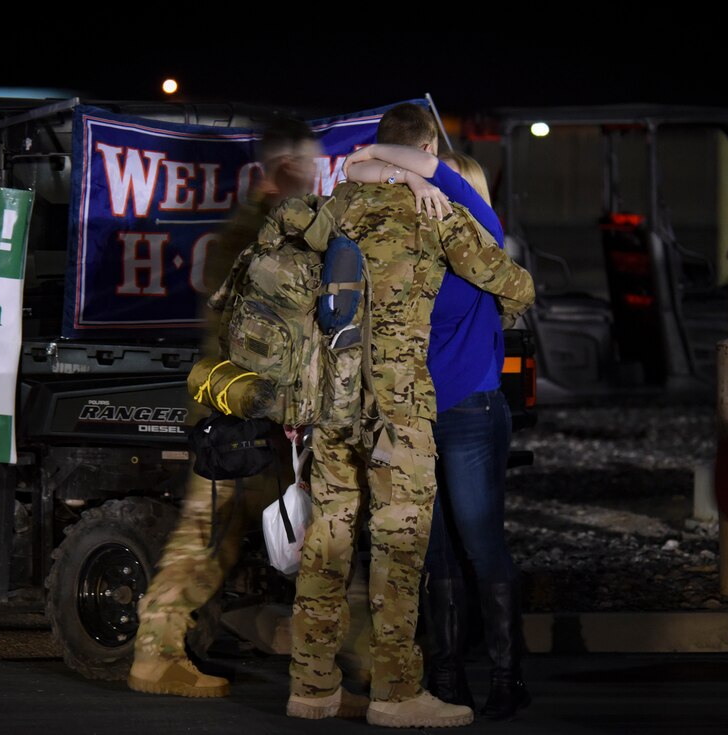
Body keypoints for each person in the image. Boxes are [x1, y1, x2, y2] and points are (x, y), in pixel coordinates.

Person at [283, 102, 535, 727]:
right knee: (401, 548)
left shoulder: (330, 211)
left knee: (330, 540)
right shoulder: (435, 213)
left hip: (331, 403)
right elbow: (515, 284)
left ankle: (312, 688)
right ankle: (397, 694)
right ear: (424, 145)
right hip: (401, 408)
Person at [127, 118, 322, 697]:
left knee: (278, 542)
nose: (313, 178)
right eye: (306, 167)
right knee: (218, 542)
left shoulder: (262, 230)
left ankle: (340, 672)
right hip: (246, 422)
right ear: (285, 168)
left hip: (261, 420)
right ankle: (156, 655)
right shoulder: (257, 237)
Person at [344, 143, 530, 718]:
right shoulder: (417, 239)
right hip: (418, 417)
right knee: (438, 554)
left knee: (480, 545)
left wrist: (383, 153)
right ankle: (449, 677)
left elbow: (426, 169)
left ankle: (505, 675)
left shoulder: (481, 235)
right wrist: (386, 166)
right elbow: (351, 171)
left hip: (470, 412)